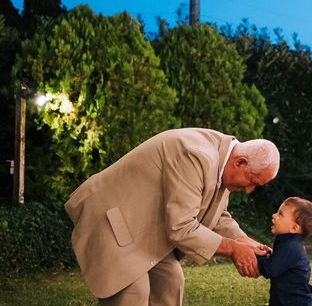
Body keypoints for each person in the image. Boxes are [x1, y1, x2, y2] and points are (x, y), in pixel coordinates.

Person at [64, 127, 280, 306]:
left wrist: (243, 242)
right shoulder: (197, 155)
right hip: (111, 217)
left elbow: (217, 215)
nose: (250, 189)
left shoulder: (223, 158)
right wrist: (232, 249)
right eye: (252, 180)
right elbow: (181, 227)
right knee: (133, 293)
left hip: (140, 225)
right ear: (240, 162)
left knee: (171, 282)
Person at [258, 197, 312, 306]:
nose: (274, 215)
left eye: (280, 214)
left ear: (294, 228)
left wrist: (260, 256)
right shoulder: (287, 242)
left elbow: (270, 270)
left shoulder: (291, 246)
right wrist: (269, 255)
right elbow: (279, 263)